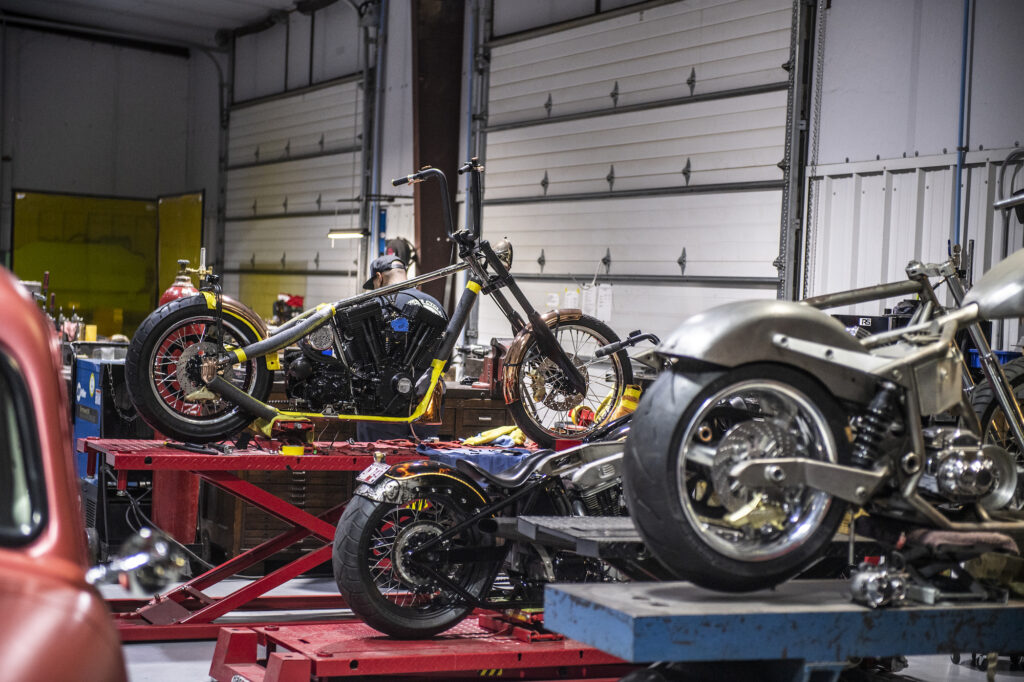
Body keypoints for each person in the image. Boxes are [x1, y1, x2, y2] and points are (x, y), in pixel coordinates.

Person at [356, 254, 444, 443]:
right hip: (427, 404)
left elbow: (360, 355)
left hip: (384, 408)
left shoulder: (375, 304)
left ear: (379, 277)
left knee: (380, 464)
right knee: (420, 464)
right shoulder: (435, 304)